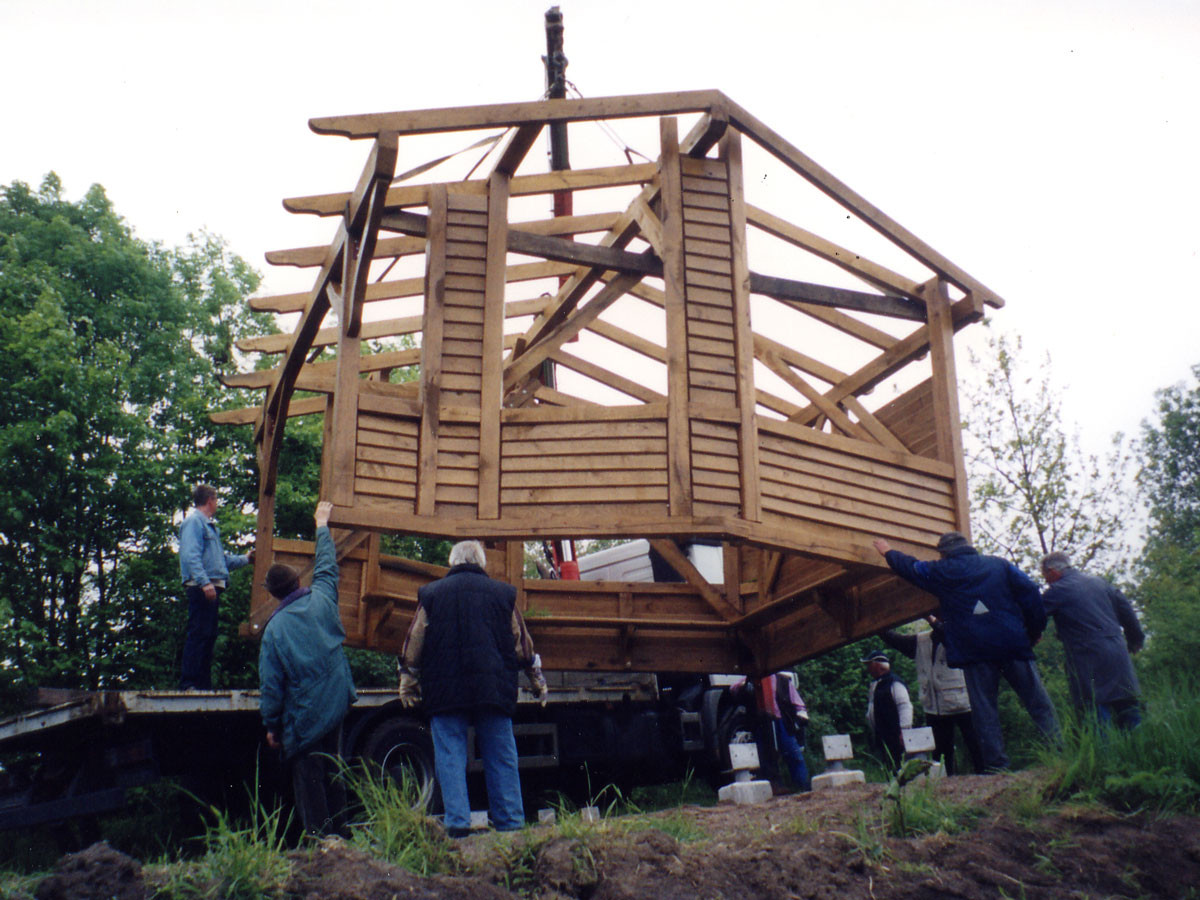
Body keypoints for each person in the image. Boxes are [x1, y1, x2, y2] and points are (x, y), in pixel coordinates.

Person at [873, 531, 1060, 772]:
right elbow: (1031, 591)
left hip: (976, 649)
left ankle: (997, 768)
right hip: (1012, 643)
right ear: (968, 547)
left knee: (984, 711)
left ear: (943, 553)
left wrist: (888, 552)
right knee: (1038, 702)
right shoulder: (998, 565)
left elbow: (913, 568)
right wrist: (1034, 630)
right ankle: (1059, 755)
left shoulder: (943, 571)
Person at [399, 540, 547, 837]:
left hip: (445, 691)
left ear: (452, 562)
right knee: (501, 756)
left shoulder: (431, 594)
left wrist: (408, 683)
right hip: (492, 689)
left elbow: (414, 642)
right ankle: (511, 826)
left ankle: (457, 824)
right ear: (482, 563)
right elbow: (521, 644)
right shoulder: (502, 594)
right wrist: (537, 680)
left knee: (450, 756)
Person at [258, 500, 357, 838]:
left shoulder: (274, 630)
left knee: (310, 781)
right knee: (334, 770)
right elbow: (328, 566)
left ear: (272, 594)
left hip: (305, 718)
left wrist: (272, 726)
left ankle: (321, 846)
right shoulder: (322, 598)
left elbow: (271, 687)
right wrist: (321, 525)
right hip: (336, 703)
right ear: (298, 581)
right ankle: (342, 838)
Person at [1041, 551, 1145, 729]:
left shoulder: (1057, 591)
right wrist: (1135, 640)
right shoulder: (1101, 583)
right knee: (1130, 712)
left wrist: (1032, 635)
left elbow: (1034, 615)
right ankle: (1137, 754)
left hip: (1087, 660)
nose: (1046, 582)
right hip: (1118, 654)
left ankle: (1104, 757)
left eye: (1045, 576)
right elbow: (1127, 611)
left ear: (1052, 571)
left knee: (1097, 717)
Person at [881, 618, 984, 774]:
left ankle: (986, 776)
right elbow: (895, 640)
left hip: (962, 703)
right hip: (934, 706)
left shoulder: (958, 634)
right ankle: (947, 784)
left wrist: (931, 619)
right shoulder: (921, 641)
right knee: (941, 754)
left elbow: (947, 636)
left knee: (976, 746)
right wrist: (876, 627)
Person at [178, 484, 252, 690]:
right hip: (202, 587)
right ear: (210, 500)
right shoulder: (194, 522)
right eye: (216, 500)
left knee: (208, 635)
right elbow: (190, 555)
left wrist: (246, 559)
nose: (217, 504)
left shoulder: (209, 527)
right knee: (199, 633)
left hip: (210, 587)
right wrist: (204, 582)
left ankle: (201, 685)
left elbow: (221, 560)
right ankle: (189, 684)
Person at [733, 671, 811, 793]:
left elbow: (798, 703)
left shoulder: (783, 680)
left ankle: (803, 786)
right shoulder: (752, 679)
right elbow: (734, 689)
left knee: (793, 754)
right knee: (766, 756)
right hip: (762, 723)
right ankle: (774, 786)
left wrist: (800, 717)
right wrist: (744, 686)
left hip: (783, 722)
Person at [861, 649, 913, 770]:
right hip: (883, 735)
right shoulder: (877, 684)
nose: (868, 668)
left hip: (895, 736)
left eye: (869, 664)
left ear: (878, 666)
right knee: (889, 767)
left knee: (899, 767)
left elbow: (905, 706)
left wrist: (904, 731)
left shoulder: (894, 683)